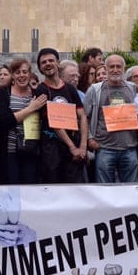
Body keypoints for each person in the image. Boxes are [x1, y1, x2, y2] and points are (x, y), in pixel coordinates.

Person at [35, 48, 88, 184]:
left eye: (51, 60)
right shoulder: (41, 90)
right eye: (43, 62)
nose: (48, 64)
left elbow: (82, 116)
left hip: (74, 149)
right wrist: (73, 148)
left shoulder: (70, 89)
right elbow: (55, 122)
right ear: (40, 68)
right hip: (52, 149)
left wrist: (82, 146)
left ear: (58, 63)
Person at [85, 54, 138, 183]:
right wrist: (89, 138)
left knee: (131, 190)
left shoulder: (133, 88)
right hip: (105, 148)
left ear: (124, 68)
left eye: (118, 66)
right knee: (105, 191)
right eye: (112, 67)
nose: (115, 70)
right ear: (106, 68)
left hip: (129, 148)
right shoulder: (95, 90)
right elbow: (84, 117)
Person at [0, 58, 47, 185]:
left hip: (32, 151)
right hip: (10, 151)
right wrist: (30, 109)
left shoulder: (36, 94)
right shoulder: (3, 93)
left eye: (24, 72)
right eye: (17, 72)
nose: (21, 75)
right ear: (12, 75)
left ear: (30, 74)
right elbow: (4, 121)